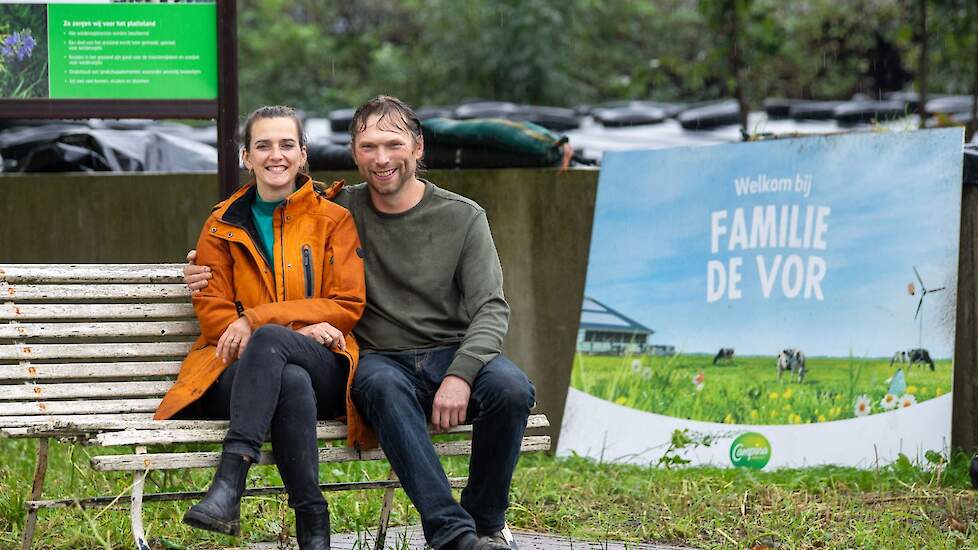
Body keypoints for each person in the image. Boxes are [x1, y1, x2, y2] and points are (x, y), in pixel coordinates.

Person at [186, 96, 534, 550]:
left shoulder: (462, 217)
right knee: (381, 389)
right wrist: (201, 263)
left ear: (418, 147)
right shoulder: (339, 209)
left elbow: (491, 307)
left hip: (451, 351)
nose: (382, 158)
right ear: (353, 151)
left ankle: (484, 521)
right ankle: (452, 535)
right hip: (378, 358)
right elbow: (279, 215)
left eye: (393, 144)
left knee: (511, 390)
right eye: (369, 146)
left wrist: (461, 375)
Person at [158, 105, 365, 550]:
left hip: (324, 362)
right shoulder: (221, 225)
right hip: (237, 368)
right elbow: (214, 315)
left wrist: (261, 321)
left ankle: (228, 485)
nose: (277, 155)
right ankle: (313, 523)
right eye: (263, 145)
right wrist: (294, 329)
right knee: (285, 374)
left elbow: (346, 305)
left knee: (274, 342)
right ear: (246, 157)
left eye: (287, 144)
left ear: (303, 154)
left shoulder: (334, 220)